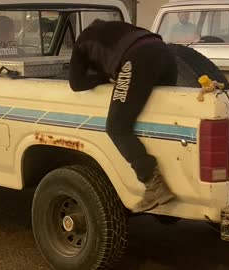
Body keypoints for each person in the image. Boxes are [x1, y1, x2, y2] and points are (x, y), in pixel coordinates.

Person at [69, 20, 177, 213]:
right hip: (166, 53)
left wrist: (105, 78)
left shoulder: (81, 44)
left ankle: (155, 186)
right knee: (161, 120)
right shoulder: (116, 26)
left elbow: (76, 83)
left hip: (137, 59)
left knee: (117, 127)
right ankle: (174, 187)